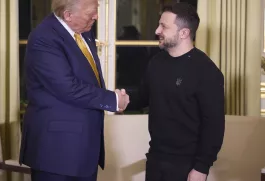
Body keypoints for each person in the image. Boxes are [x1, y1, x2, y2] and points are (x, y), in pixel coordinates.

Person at [18, 0, 130, 180]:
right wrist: (113, 100)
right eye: (90, 13)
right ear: (68, 15)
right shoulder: (44, 37)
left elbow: (86, 79)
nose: (96, 16)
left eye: (96, 10)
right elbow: (67, 87)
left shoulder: (83, 32)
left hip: (83, 151)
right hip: (56, 152)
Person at [135, 2, 225, 181]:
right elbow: (142, 97)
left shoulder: (206, 71)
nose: (157, 31)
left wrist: (201, 168)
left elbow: (214, 126)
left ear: (184, 33)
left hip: (187, 165)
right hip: (155, 158)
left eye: (164, 26)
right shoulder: (156, 62)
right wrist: (110, 99)